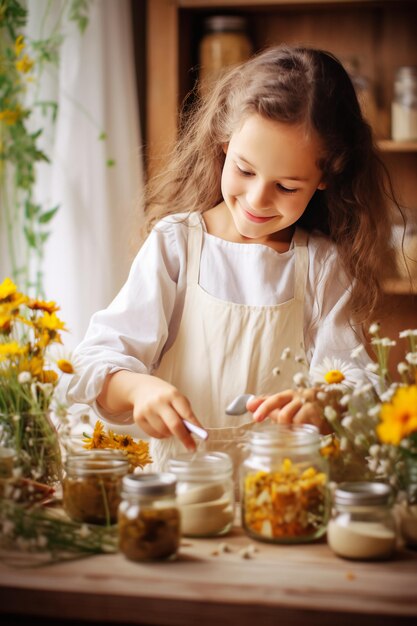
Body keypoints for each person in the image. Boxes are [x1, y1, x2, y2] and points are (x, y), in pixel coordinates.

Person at [67, 45, 399, 471]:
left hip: (286, 493)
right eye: (245, 170)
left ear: (324, 179)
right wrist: (138, 391)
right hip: (185, 491)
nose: (258, 199)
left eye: (287, 186)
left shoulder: (320, 265)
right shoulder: (177, 245)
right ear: (223, 144)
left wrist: (322, 401)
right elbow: (96, 363)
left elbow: (357, 383)